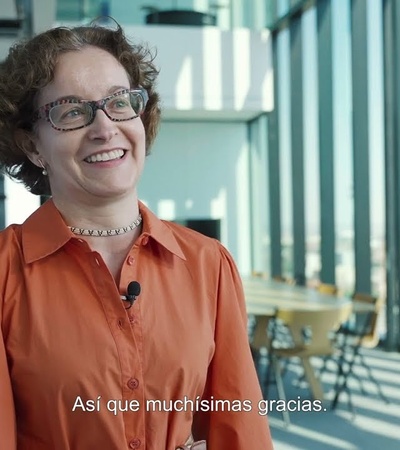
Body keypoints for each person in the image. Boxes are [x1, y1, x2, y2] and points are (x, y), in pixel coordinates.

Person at [0, 22, 274, 450]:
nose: (104, 127)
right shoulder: (4, 273)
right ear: (33, 145)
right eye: (72, 111)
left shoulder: (208, 264)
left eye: (119, 102)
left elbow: (239, 430)